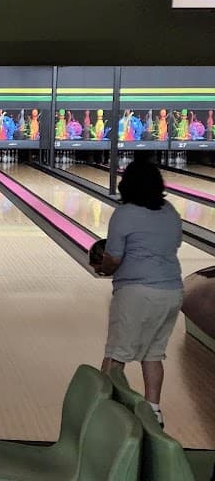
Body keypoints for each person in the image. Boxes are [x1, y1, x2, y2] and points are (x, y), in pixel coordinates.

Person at [95, 160, 183, 427]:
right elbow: (173, 244)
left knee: (116, 354)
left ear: (126, 185)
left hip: (137, 293)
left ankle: (104, 409)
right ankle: (153, 411)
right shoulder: (170, 211)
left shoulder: (125, 214)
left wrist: (103, 267)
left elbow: (114, 259)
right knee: (153, 354)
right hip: (172, 291)